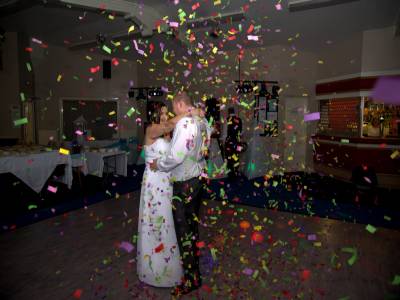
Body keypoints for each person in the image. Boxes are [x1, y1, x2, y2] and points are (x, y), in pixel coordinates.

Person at [150, 91, 211, 296]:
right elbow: (206, 145)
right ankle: (193, 269)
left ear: (180, 105)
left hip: (184, 183)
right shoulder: (202, 121)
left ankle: (192, 279)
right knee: (191, 228)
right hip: (198, 180)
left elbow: (175, 156)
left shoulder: (186, 124)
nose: (175, 114)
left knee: (184, 231)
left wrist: (159, 163)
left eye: (175, 108)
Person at [136, 104, 203, 288]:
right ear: (153, 115)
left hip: (167, 182)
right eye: (162, 113)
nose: (165, 117)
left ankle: (170, 265)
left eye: (167, 113)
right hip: (153, 183)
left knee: (169, 223)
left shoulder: (167, 134)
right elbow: (167, 126)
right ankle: (153, 269)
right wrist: (188, 112)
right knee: (155, 222)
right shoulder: (151, 129)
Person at [224, 107, 242, 179]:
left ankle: (231, 175)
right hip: (237, 142)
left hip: (229, 142)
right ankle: (236, 172)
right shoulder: (239, 119)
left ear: (228, 112)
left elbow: (225, 133)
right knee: (236, 157)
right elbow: (241, 133)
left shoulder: (227, 119)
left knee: (229, 158)